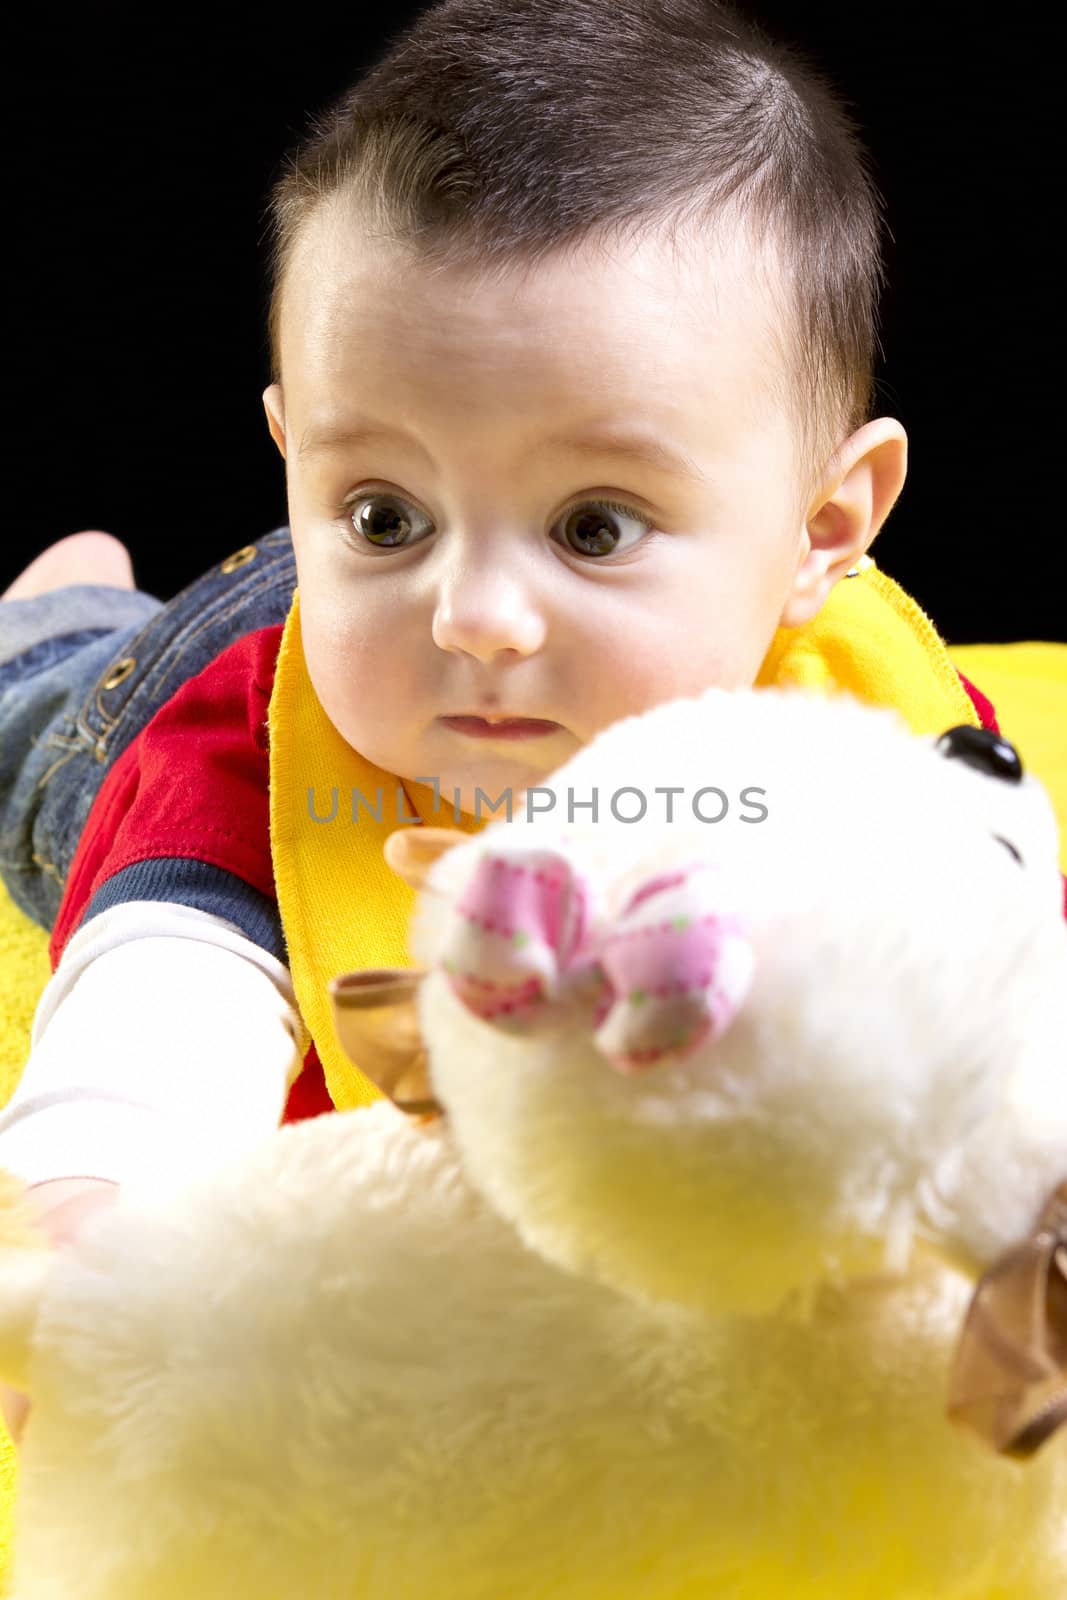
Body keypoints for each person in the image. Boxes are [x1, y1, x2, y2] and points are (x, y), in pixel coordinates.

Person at [0, 0, 1057, 1449]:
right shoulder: (245, 761)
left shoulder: (861, 724)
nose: (474, 615)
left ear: (822, 526)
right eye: (383, 508)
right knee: (46, 741)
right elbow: (161, 981)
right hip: (220, 661)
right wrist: (88, 1196)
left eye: (594, 524)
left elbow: (999, 957)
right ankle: (64, 612)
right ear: (296, 454)